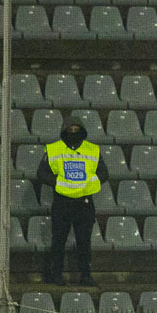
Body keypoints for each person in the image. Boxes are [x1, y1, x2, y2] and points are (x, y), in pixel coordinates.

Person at [35, 117, 102, 286]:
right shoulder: (54, 149)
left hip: (84, 202)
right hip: (62, 202)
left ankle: (86, 275)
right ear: (64, 131)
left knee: (84, 242)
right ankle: (56, 274)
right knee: (58, 240)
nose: (73, 133)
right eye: (70, 130)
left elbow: (104, 173)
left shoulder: (92, 150)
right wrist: (58, 183)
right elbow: (41, 174)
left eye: (76, 129)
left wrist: (88, 184)